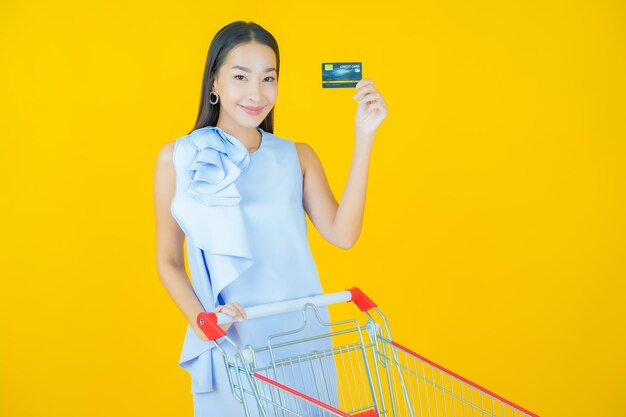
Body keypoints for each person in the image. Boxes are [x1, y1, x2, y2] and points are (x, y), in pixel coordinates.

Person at [153, 20, 387, 416]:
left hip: (303, 341)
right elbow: (168, 261)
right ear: (214, 82)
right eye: (240, 76)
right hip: (232, 340)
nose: (256, 93)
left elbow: (343, 235)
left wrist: (365, 137)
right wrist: (202, 321)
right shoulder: (178, 159)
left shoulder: (297, 156)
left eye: (268, 78)